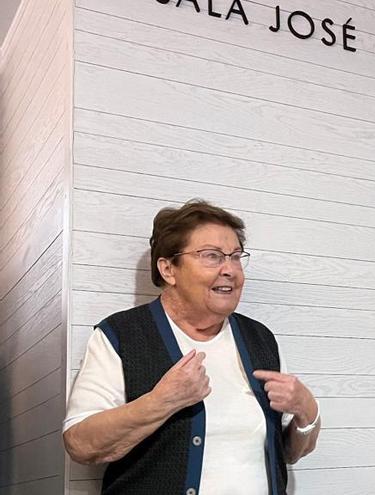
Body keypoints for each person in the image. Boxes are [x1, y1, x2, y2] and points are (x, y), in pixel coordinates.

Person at [63, 199, 320, 495]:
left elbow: (289, 452)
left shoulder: (260, 338)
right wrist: (162, 401)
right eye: (212, 256)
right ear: (169, 269)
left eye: (235, 256)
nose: (230, 270)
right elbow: (80, 444)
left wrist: (307, 410)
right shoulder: (121, 335)